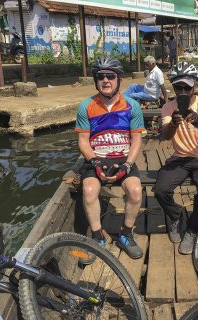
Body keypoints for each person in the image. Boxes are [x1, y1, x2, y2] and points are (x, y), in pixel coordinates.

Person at [75, 56, 145, 261]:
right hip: (96, 158)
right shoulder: (85, 106)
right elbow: (83, 140)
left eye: (110, 76)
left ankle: (125, 234)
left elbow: (136, 140)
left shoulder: (132, 105)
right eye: (101, 76)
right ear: (96, 81)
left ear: (118, 79)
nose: (106, 80)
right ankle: (98, 238)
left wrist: (127, 165)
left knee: (135, 191)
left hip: (123, 157)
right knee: (89, 191)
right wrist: (94, 161)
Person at [154, 61, 198, 254]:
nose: (183, 91)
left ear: (195, 85)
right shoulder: (168, 107)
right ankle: (177, 216)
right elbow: (165, 136)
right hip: (180, 158)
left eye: (187, 87)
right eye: (178, 87)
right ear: (173, 87)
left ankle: (193, 229)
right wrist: (174, 124)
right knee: (160, 190)